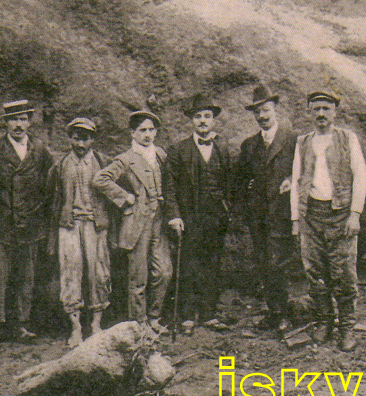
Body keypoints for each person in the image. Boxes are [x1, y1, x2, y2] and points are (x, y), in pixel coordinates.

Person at [290, 91, 366, 352]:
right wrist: (296, 220)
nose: (321, 114)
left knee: (343, 273)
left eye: (326, 108)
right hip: (311, 215)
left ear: (335, 111)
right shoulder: (303, 142)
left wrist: (355, 213)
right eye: (316, 109)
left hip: (340, 215)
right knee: (315, 272)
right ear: (309, 113)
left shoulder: (348, 139)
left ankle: (346, 328)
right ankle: (324, 322)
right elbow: (296, 182)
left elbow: (361, 177)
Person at [94, 110, 180, 336]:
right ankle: (138, 324)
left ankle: (154, 317)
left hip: (158, 221)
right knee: (138, 276)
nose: (148, 134)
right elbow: (100, 179)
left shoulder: (160, 155)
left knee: (164, 272)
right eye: (143, 130)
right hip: (136, 224)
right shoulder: (125, 159)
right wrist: (125, 198)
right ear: (133, 133)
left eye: (152, 130)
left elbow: (169, 185)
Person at [0, 99, 54, 352]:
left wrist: (42, 216)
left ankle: (21, 324)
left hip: (31, 225)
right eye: (13, 119)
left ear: (30, 121)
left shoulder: (40, 149)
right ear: (6, 122)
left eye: (23, 119)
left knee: (26, 277)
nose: (18, 125)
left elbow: (50, 184)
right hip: (2, 225)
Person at [168, 94, 234, 333]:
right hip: (189, 217)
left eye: (207, 116)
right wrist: (175, 215)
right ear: (191, 121)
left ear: (213, 120)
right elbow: (170, 186)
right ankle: (186, 316)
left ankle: (208, 313)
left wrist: (227, 211)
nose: (203, 121)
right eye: (198, 116)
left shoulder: (223, 149)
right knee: (188, 264)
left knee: (212, 263)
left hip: (215, 218)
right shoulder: (178, 150)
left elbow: (230, 184)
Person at [236, 85, 298, 334]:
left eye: (266, 110)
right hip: (259, 216)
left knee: (278, 263)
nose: (262, 116)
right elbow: (241, 180)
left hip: (283, 213)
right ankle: (274, 312)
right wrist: (245, 207)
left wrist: (293, 180)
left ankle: (284, 313)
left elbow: (306, 169)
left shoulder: (294, 139)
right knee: (264, 263)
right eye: (257, 112)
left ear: (275, 109)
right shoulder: (250, 145)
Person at [47, 117, 113, 347]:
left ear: (93, 139)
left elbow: (114, 195)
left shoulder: (104, 162)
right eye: (76, 138)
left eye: (85, 139)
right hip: (70, 225)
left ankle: (96, 324)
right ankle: (75, 326)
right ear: (70, 139)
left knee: (99, 272)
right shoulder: (60, 165)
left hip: (96, 225)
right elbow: (53, 200)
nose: (81, 144)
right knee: (71, 271)